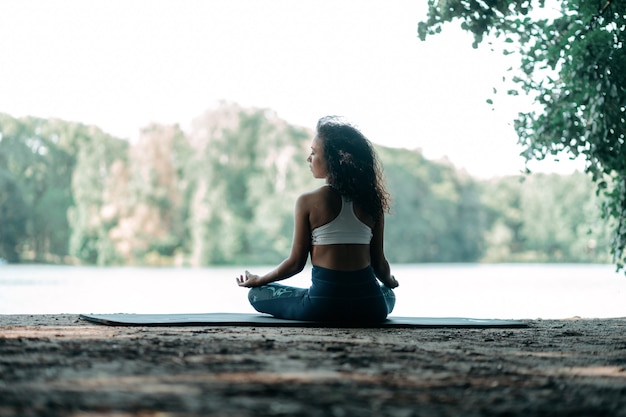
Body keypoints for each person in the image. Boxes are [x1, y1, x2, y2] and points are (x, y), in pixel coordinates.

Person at [236, 116, 399, 323]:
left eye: (313, 152)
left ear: (334, 159)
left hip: (323, 307)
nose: (309, 159)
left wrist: (259, 280)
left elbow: (295, 264)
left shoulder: (307, 202)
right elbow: (379, 264)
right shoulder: (372, 203)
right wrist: (390, 281)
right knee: (388, 295)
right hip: (370, 308)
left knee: (257, 294)